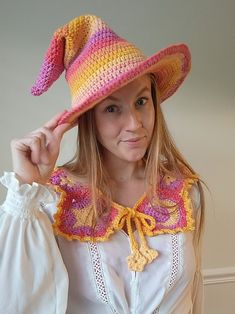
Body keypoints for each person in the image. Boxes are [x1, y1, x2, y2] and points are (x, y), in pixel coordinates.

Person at [0, 15, 205, 314]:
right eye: (112, 108)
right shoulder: (50, 199)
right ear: (89, 120)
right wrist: (28, 186)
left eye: (142, 101)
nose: (134, 123)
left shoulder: (184, 193)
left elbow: (193, 297)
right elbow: (16, 300)